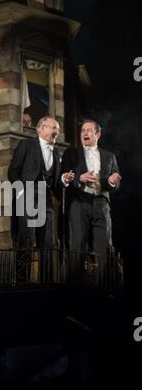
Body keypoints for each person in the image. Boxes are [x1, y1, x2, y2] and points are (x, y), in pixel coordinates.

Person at [8, 116, 74, 281]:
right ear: (42, 128)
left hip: (46, 198)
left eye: (57, 129)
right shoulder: (27, 145)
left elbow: (55, 181)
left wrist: (64, 180)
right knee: (26, 239)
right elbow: (13, 171)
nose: (56, 131)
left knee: (49, 241)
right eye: (54, 128)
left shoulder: (56, 151)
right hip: (27, 193)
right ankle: (22, 281)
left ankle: (47, 281)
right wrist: (21, 191)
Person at [60, 120, 121, 281]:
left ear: (98, 134)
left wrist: (112, 181)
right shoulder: (70, 153)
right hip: (79, 203)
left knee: (104, 247)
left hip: (101, 204)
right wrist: (78, 178)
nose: (85, 133)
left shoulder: (110, 156)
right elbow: (64, 177)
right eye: (82, 131)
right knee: (77, 246)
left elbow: (114, 181)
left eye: (89, 130)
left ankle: (104, 287)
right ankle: (74, 289)